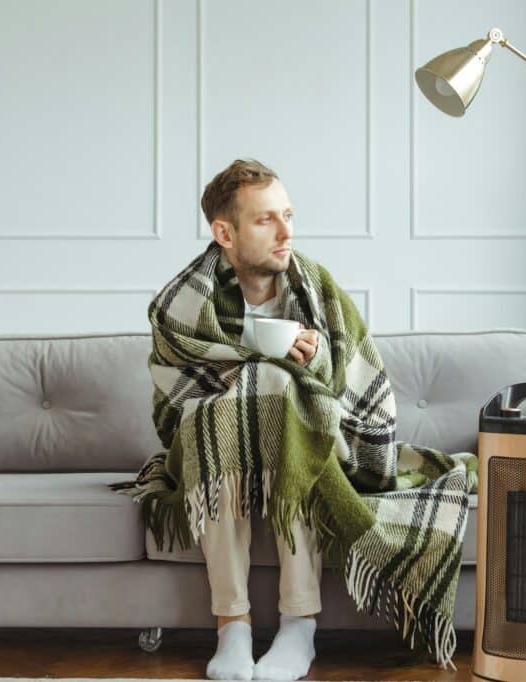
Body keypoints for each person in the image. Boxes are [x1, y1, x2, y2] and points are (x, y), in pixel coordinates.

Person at [197, 159, 324, 681]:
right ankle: (234, 626)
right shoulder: (185, 303)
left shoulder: (316, 290)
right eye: (266, 219)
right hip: (219, 442)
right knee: (215, 417)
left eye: (288, 215)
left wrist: (316, 362)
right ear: (225, 232)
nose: (286, 231)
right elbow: (174, 396)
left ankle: (299, 627)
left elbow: (354, 385)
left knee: (288, 401)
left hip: (303, 438)